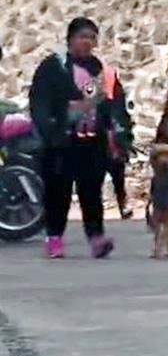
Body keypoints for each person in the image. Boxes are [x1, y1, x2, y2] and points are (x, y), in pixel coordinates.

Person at [29, 17, 134, 259]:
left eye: (91, 37)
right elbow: (41, 103)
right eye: (82, 37)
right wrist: (50, 128)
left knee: (92, 191)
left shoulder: (102, 71)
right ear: (70, 39)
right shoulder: (53, 68)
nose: (87, 42)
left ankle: (96, 237)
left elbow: (115, 104)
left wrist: (121, 134)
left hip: (92, 141)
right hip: (61, 141)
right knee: (58, 192)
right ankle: (54, 238)